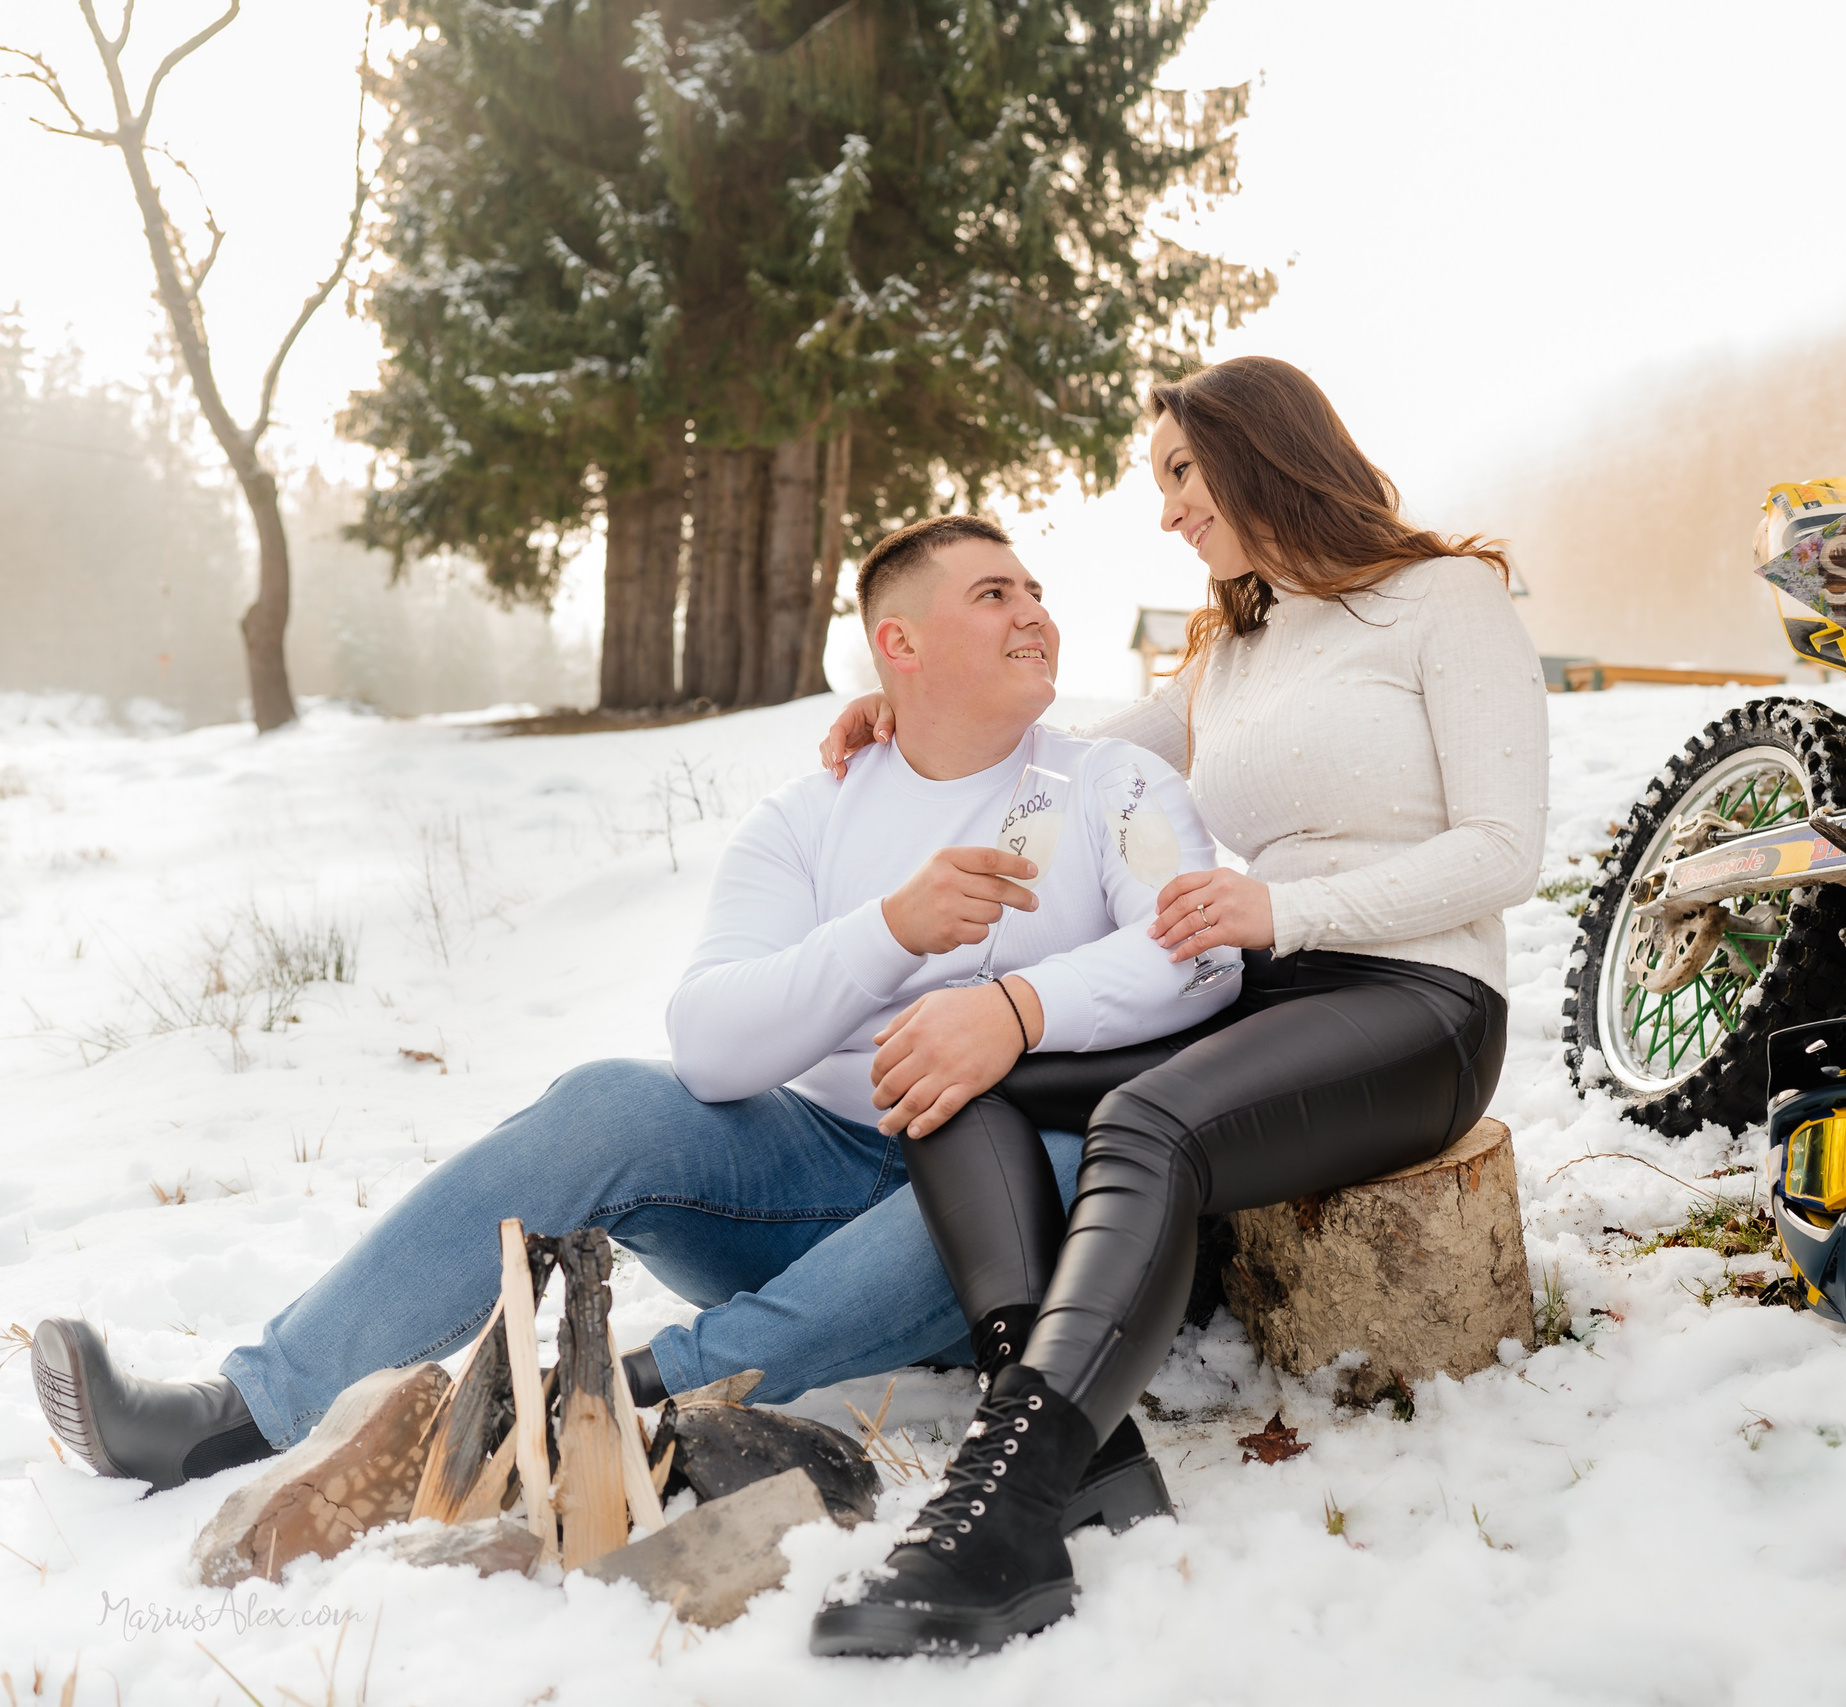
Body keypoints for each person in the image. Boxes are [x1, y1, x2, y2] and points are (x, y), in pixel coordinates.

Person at [30, 516, 1234, 1540]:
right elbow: (712, 1044)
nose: (1034, 611)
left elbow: (1202, 959)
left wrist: (1015, 1010)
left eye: (1033, 589)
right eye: (993, 594)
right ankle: (243, 1413)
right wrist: (890, 933)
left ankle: (617, 1400)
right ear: (898, 645)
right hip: (810, 1186)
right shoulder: (809, 816)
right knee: (613, 1095)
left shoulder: (1110, 787)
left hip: (1016, 1227)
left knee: (1066, 1161)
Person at [805, 356, 1549, 1658]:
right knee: (952, 1058)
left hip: (1428, 998)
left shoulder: (1446, 599)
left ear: (1264, 452)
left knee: (1150, 1122)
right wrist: (915, 706)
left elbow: (1505, 849)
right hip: (1290, 983)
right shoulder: (1232, 647)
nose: (1168, 510)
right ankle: (1074, 1446)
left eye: (1181, 475)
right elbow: (1069, 769)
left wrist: (1286, 913)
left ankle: (1008, 1512)